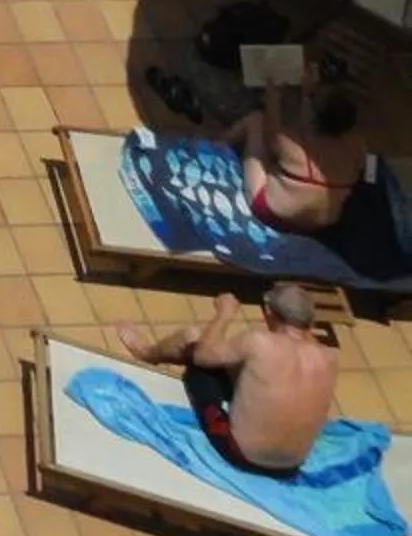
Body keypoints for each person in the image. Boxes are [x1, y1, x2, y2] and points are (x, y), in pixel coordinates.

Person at [118, 282, 338, 473]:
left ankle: (146, 353)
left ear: (269, 312)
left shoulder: (259, 342)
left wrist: (224, 314)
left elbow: (204, 356)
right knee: (252, 371)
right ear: (311, 322)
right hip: (291, 466)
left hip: (242, 455)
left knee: (193, 342)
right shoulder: (329, 358)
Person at [223, 80, 368, 235]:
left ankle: (216, 145)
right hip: (319, 225)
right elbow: (367, 172)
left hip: (274, 214)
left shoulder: (291, 143)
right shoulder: (359, 146)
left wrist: (273, 97)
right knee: (284, 165)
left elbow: (270, 129)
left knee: (257, 120)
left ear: (313, 117)